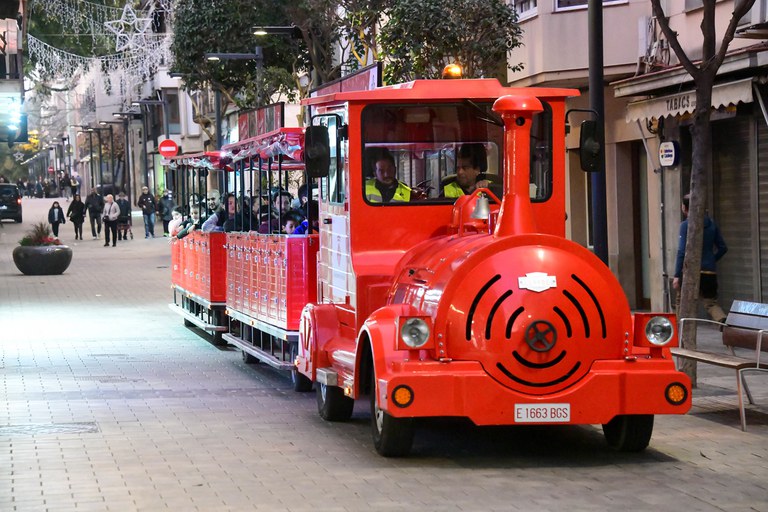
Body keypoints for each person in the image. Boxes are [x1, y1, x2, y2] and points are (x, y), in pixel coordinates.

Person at [673, 194, 728, 323]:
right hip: (709, 272)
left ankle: (680, 334)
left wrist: (676, 275)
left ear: (684, 208)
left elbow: (681, 251)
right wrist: (711, 260)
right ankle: (723, 322)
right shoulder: (712, 225)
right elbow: (723, 247)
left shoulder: (685, 225)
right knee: (711, 303)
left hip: (690, 271)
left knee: (682, 303)